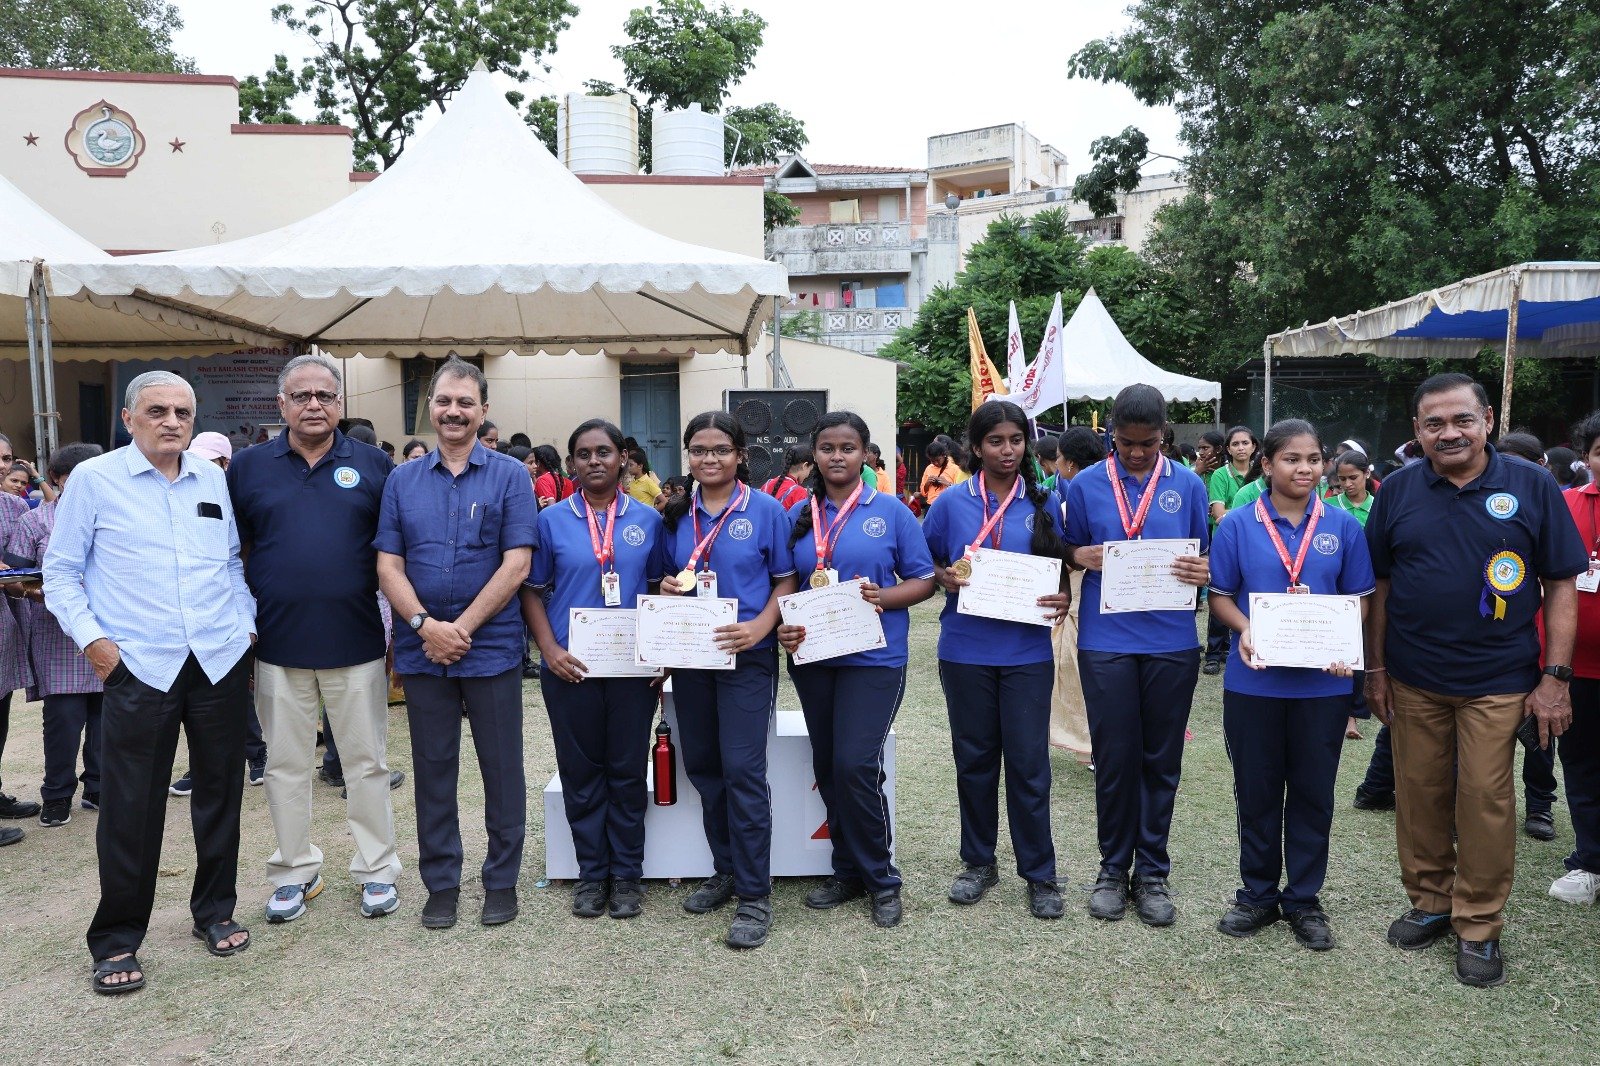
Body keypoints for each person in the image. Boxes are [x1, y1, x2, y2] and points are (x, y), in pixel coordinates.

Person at [1365, 372, 1586, 987]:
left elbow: (1560, 584)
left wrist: (1555, 678)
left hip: (1499, 680)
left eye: (1462, 419)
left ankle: (1480, 924)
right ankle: (1431, 901)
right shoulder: (1397, 489)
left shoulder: (1533, 486)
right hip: (1413, 678)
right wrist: (1375, 670)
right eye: (1434, 423)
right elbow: (1378, 585)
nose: (1449, 433)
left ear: (1487, 421)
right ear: (1417, 431)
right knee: (1419, 794)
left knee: (1485, 800)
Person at [44, 370, 257, 994]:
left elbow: (229, 561)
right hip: (139, 665)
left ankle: (214, 910)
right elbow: (61, 573)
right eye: (157, 410)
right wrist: (97, 645)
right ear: (128, 419)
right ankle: (116, 938)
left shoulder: (210, 477)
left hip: (217, 658)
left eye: (182, 412)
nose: (172, 421)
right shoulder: (94, 480)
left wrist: (244, 625)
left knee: (221, 792)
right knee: (131, 805)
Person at [229, 354, 403, 924]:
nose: (313, 405)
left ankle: (377, 869)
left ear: (340, 403)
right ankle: (293, 871)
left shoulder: (374, 465)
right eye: (301, 396)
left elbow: (393, 555)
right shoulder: (248, 468)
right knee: (285, 765)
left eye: (324, 396)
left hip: (356, 642)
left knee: (366, 763)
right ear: (281, 404)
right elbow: (236, 552)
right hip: (277, 645)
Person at [375, 356, 536, 931]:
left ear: (483, 410)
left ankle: (501, 881)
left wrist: (458, 629)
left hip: (490, 649)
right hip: (424, 651)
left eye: (466, 402)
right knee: (434, 769)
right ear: (431, 407)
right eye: (444, 401)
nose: (453, 411)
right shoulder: (402, 480)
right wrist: (426, 627)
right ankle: (441, 883)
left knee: (502, 768)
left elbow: (517, 565)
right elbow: (388, 566)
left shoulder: (511, 477)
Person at [1206, 420, 1376, 950]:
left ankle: (1303, 899)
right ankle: (1257, 894)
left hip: (1322, 689)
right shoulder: (1237, 525)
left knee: (1312, 793)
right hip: (1254, 685)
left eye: (1314, 459)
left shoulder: (1343, 526)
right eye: (1292, 459)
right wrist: (1245, 628)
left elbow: (1359, 599)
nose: (1305, 469)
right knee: (1256, 792)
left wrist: (1342, 641)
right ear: (1267, 464)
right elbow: (1220, 596)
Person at [778, 413, 936, 928]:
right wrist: (783, 626)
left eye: (848, 447)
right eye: (827, 447)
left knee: (854, 765)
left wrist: (882, 597)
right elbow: (786, 584)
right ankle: (846, 870)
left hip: (874, 659)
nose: (837, 456)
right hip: (815, 659)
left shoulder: (891, 511)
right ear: (814, 454)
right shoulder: (798, 514)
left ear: (866, 454)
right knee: (828, 766)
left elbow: (924, 579)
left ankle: (882, 880)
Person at [1065, 384, 1211, 926]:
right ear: (1112, 434)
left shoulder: (1188, 484)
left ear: (1163, 436)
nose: (1136, 453)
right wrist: (1077, 554)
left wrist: (1203, 570)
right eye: (1126, 442)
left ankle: (1151, 872)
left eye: (1148, 444)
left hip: (1171, 642)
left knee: (1161, 761)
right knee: (1114, 758)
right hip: (1105, 642)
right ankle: (1111, 869)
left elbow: (1202, 553)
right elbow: (1067, 549)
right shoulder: (1085, 484)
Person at [923, 400, 1072, 920]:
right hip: (965, 650)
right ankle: (978, 862)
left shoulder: (1046, 499)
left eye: (1015, 440)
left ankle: (1040, 872)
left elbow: (1061, 566)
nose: (1007, 450)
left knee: (1029, 765)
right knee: (975, 760)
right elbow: (926, 563)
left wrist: (1063, 596)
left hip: (1027, 653)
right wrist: (943, 576)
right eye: (995, 441)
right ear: (976, 446)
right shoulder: (950, 504)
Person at [661, 411, 797, 949]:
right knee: (705, 767)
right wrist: (666, 588)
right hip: (692, 658)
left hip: (747, 657)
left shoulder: (766, 510)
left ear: (740, 455)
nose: (709, 459)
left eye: (720, 449)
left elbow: (786, 578)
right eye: (699, 450)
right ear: (688, 456)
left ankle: (755, 896)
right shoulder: (676, 513)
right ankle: (726, 870)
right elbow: (663, 577)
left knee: (743, 770)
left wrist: (761, 627)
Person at [523, 419, 665, 920]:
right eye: (583, 454)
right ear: (571, 464)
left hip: (631, 669)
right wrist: (548, 650)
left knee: (626, 770)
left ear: (623, 458)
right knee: (580, 771)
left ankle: (626, 875)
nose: (594, 461)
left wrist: (660, 653)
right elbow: (532, 591)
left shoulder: (648, 520)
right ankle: (591, 874)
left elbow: (658, 589)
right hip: (570, 667)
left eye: (604, 451)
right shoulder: (550, 521)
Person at [6, 443, 105, 828]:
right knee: (64, 719)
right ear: (55, 480)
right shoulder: (35, 521)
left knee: (106, 717)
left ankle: (98, 787)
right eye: (72, 479)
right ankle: (58, 794)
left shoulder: (115, 515)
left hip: (108, 629)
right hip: (56, 631)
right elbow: (14, 578)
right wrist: (41, 591)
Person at [1545, 410, 1600, 905]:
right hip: (1577, 668)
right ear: (1587, 457)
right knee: (1581, 764)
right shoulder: (1565, 504)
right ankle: (1590, 861)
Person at [1048, 427, 1105, 762]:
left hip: (1081, 602)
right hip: (1098, 602)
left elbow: (1065, 559)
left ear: (1069, 462)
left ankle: (1091, 745)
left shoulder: (1072, 504)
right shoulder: (1111, 497)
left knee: (1077, 677)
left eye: (1058, 457)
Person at [0, 480, 39, 842]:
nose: (2, 465)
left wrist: (30, 587)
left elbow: (17, 569)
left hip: (5, 628)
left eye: (7, 457)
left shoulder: (14, 506)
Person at [761, 444, 813, 510]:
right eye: (810, 470)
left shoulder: (767, 485)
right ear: (805, 466)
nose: (808, 475)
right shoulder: (800, 493)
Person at [918, 438, 958, 508]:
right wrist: (927, 483)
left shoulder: (955, 469)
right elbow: (923, 493)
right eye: (932, 461)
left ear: (944, 455)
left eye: (938, 460)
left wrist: (948, 483)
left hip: (947, 506)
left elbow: (960, 492)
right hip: (931, 505)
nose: (936, 463)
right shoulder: (929, 468)